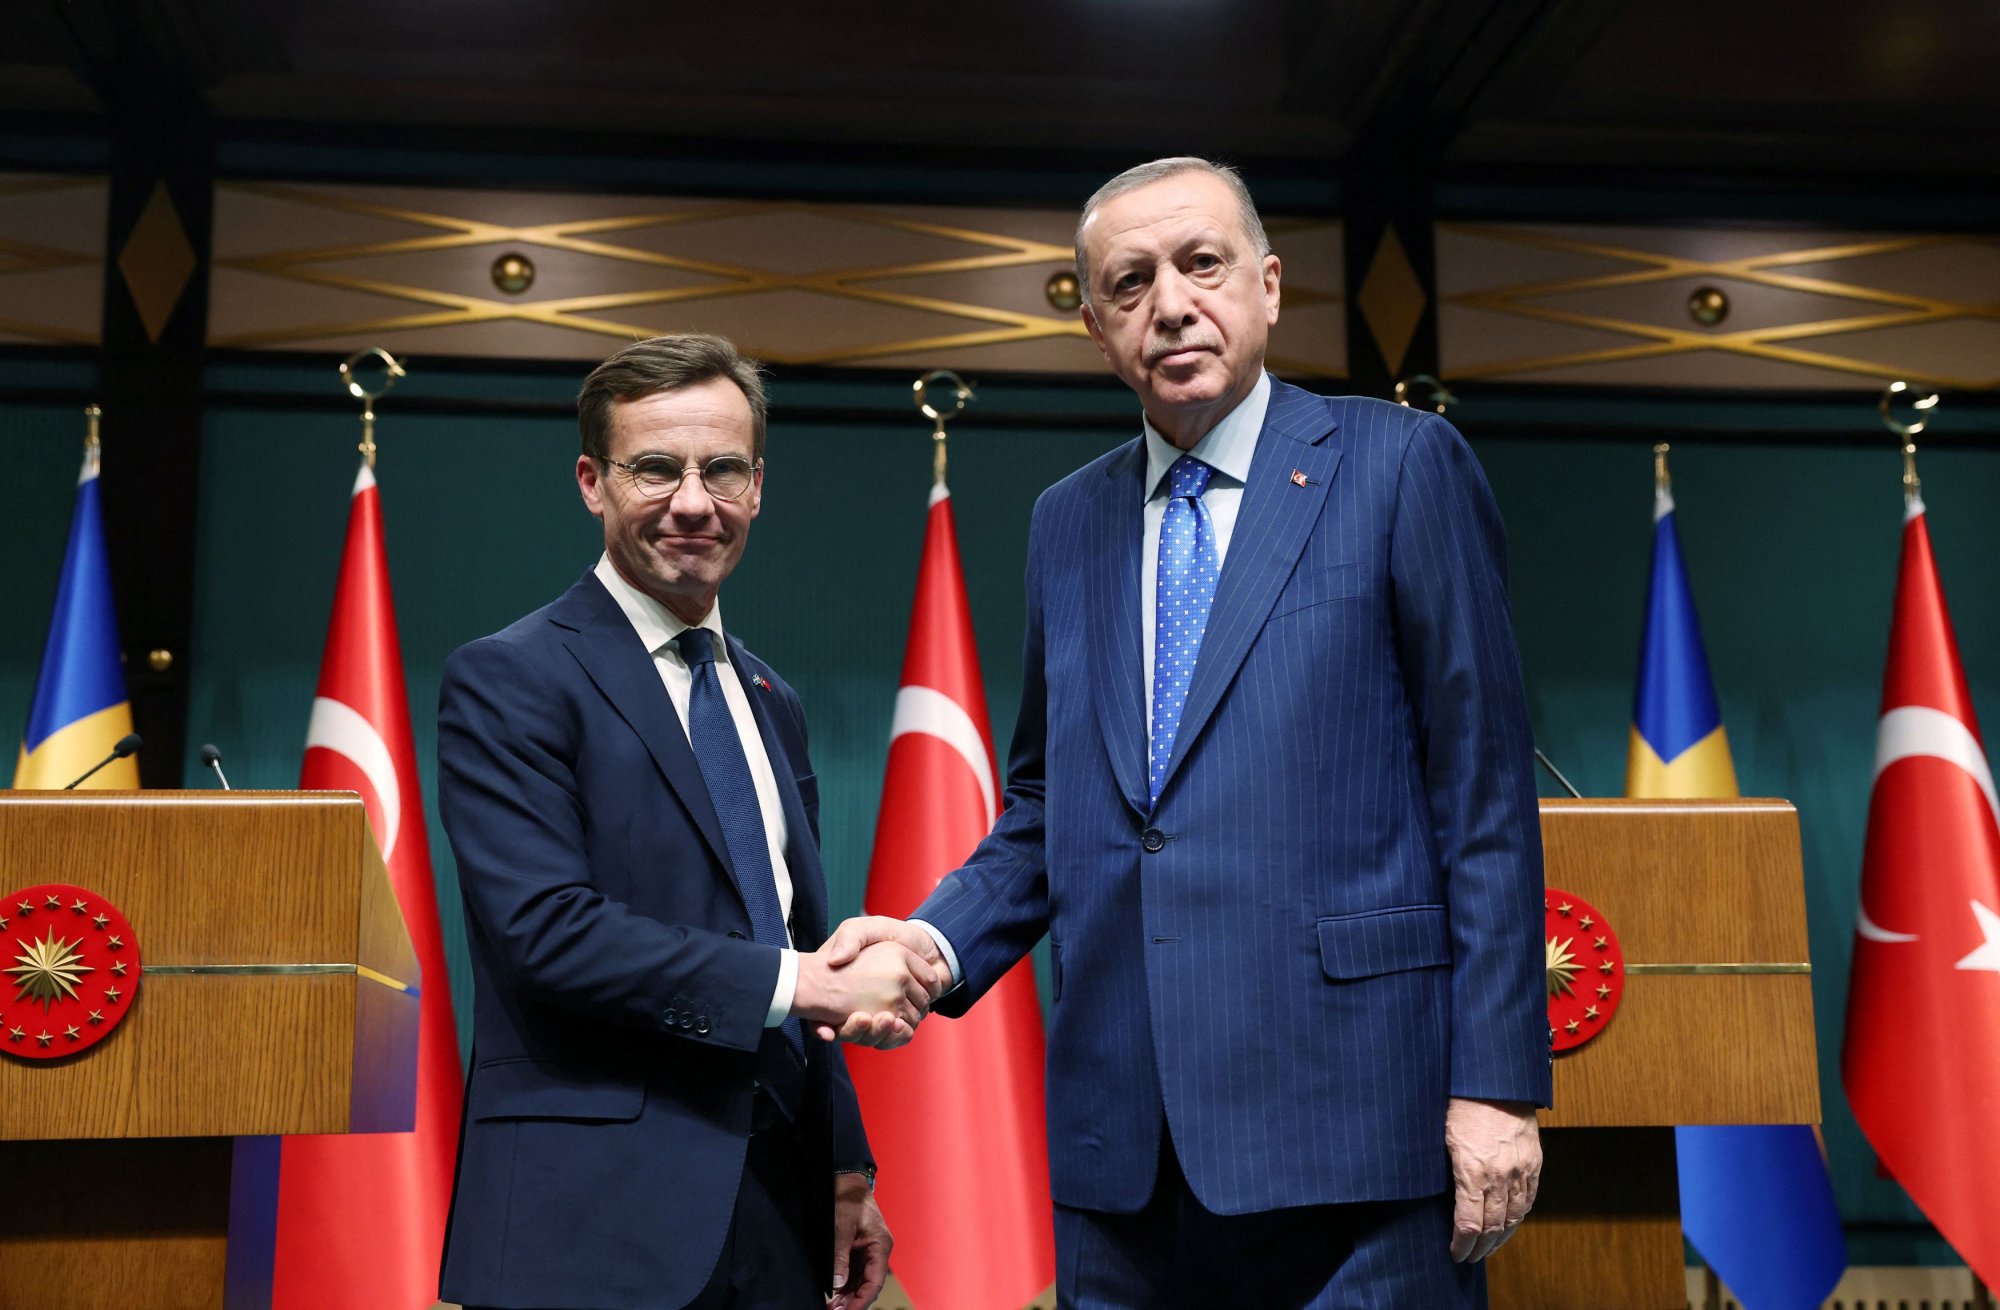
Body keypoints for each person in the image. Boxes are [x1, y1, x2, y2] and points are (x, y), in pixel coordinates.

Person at [829, 157, 1552, 1307]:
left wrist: (1498, 1085)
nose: (1169, 303)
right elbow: (1050, 805)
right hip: (1125, 1159)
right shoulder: (1066, 521)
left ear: (1267, 286)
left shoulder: (1400, 466)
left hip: (1360, 1137)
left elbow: (1482, 794)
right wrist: (931, 944)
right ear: (1094, 325)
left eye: (1201, 264)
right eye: (1129, 282)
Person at [435, 333, 946, 1310]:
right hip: (591, 1226)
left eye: (722, 470)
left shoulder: (771, 698)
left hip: (780, 1213)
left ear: (757, 486)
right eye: (655, 469)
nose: (693, 502)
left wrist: (846, 1168)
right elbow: (547, 933)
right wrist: (800, 982)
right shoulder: (510, 677)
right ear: (592, 482)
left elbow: (793, 932)